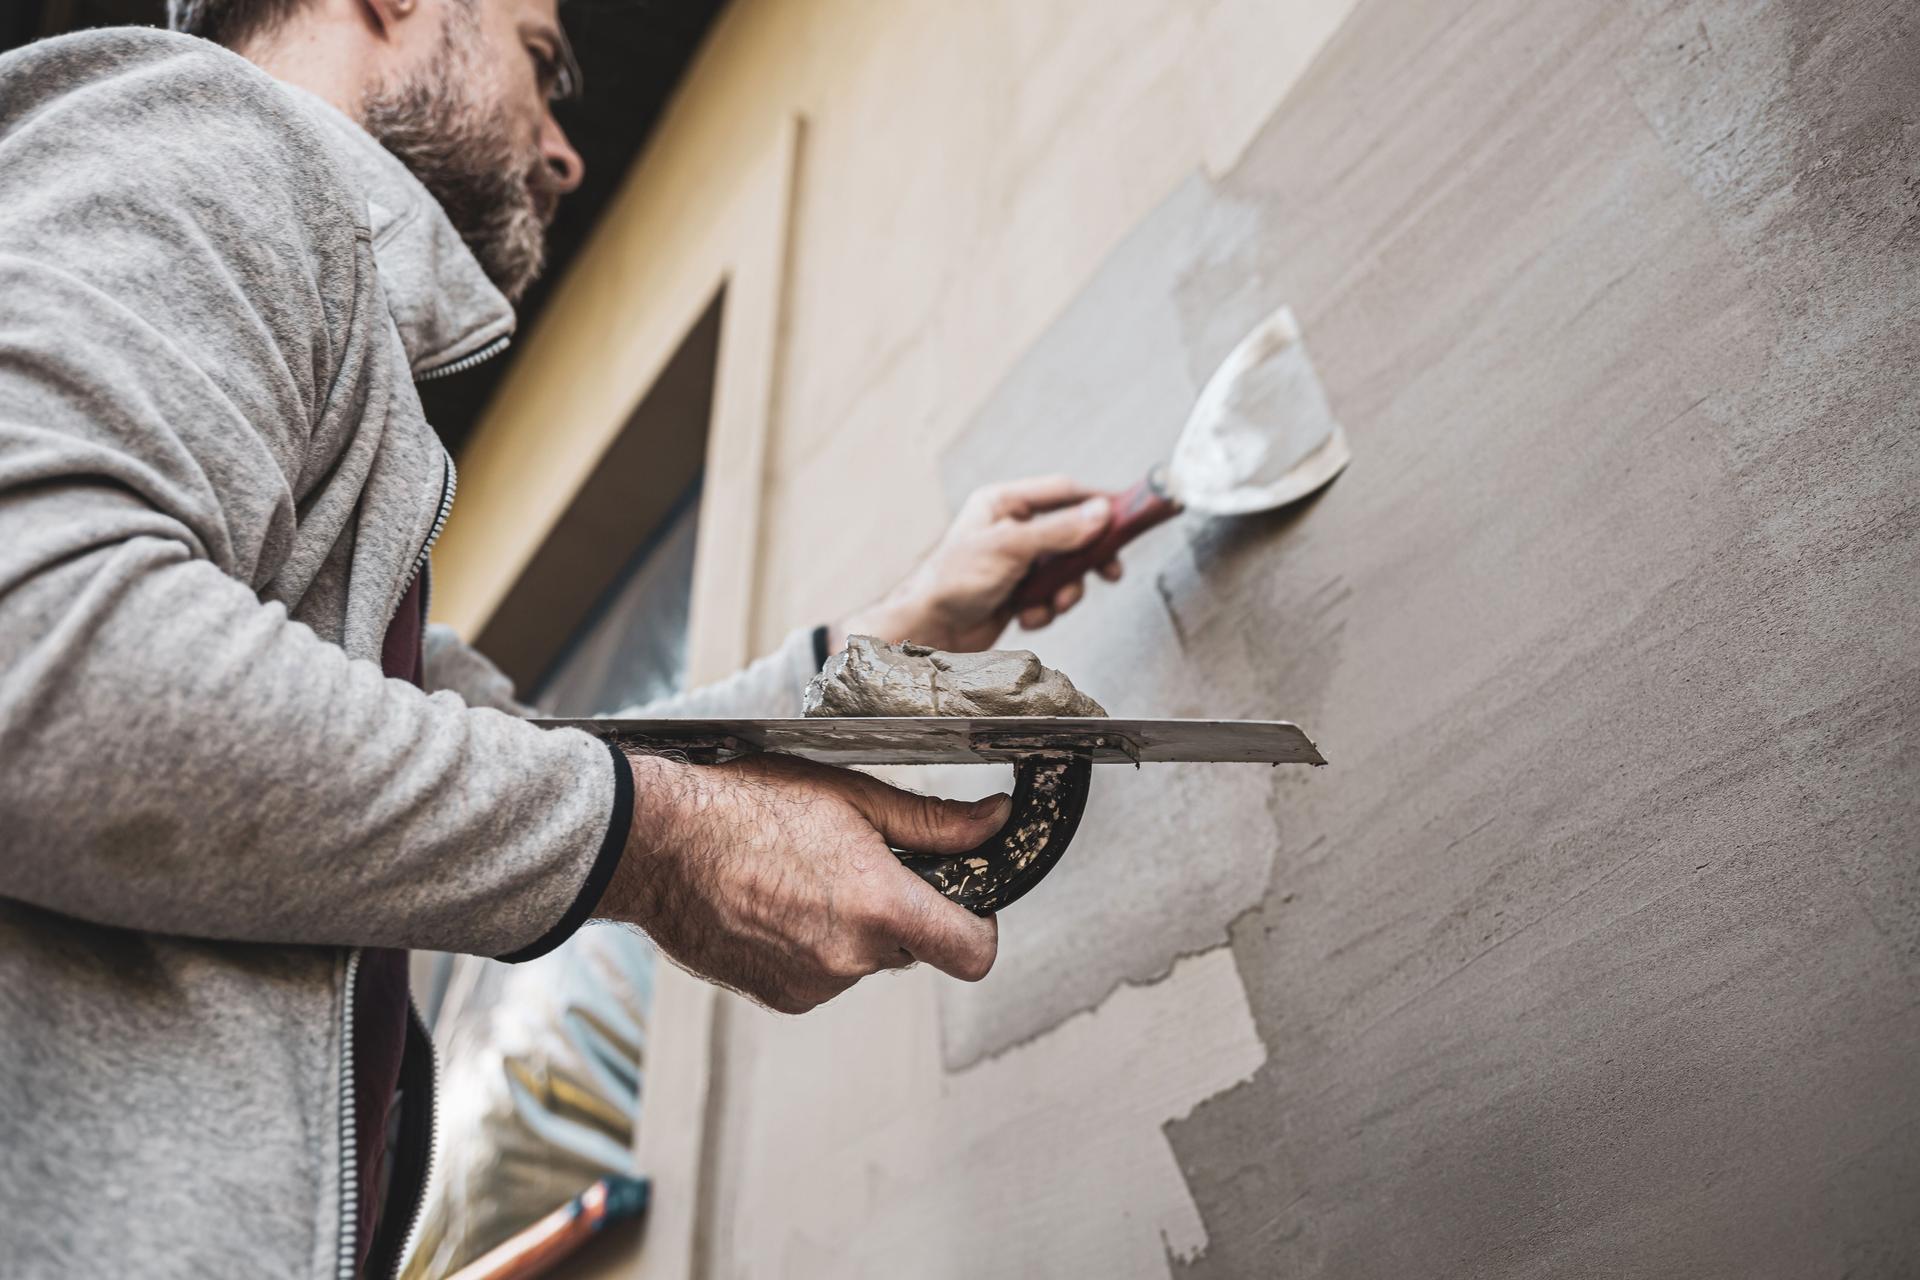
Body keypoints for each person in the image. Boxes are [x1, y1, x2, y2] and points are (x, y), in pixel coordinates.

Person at [0, 0, 1122, 1274]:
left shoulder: (348, 448)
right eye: (545, 61)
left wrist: (891, 636)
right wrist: (662, 841)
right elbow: (33, 642)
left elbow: (558, 760)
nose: (565, 147)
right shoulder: (208, 137)